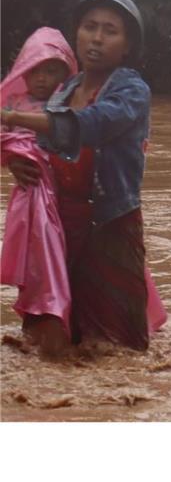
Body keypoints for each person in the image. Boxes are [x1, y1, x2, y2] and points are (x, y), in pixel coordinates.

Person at [1, 0, 166, 351]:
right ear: (76, 34)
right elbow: (40, 146)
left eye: (110, 30)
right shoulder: (65, 89)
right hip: (61, 225)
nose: (97, 38)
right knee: (55, 340)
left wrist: (14, 116)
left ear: (127, 47)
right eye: (90, 27)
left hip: (110, 223)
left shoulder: (132, 90)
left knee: (117, 344)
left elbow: (91, 124)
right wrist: (17, 162)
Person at [1, 28, 78, 355]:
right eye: (37, 69)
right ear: (23, 69)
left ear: (65, 75)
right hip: (31, 196)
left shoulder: (72, 107)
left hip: (67, 198)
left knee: (69, 261)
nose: (43, 78)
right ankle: (45, 318)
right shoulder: (12, 103)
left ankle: (57, 322)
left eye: (52, 70)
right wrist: (10, 157)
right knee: (40, 254)